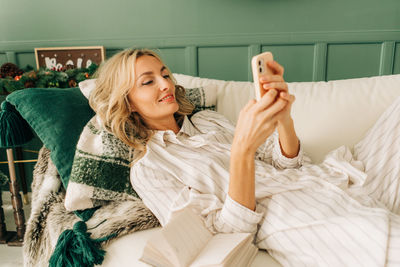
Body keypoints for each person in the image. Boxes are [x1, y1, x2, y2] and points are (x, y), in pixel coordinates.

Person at [89, 48, 400, 267]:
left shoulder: (208, 122)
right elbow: (223, 230)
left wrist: (283, 118)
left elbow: (287, 163)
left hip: (331, 178)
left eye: (165, 74)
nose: (166, 84)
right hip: (293, 213)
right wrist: (242, 153)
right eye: (148, 81)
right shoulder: (150, 169)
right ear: (127, 102)